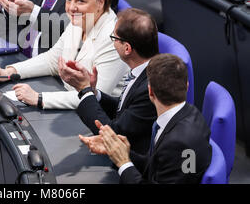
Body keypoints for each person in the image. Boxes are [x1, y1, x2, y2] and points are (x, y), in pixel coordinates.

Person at [0, 0, 128, 110]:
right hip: (72, 104)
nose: (71, 7)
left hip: (101, 118)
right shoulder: (80, 20)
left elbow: (95, 96)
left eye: (81, 1)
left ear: (101, 2)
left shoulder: (113, 39)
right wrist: (9, 72)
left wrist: (39, 98)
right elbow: (52, 60)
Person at [80, 54, 212, 184]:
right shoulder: (191, 113)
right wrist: (122, 152)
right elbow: (160, 166)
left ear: (150, 92)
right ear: (187, 86)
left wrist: (124, 163)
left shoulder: (180, 143)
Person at [58, 8, 158, 154]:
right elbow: (125, 109)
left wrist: (84, 90)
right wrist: (94, 92)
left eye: (114, 38)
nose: (113, 43)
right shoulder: (143, 70)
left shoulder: (150, 87)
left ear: (127, 48)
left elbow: (114, 134)